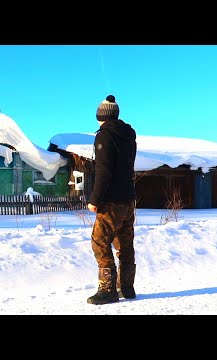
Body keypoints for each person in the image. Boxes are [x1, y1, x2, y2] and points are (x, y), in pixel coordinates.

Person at [86, 94, 137, 305]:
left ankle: (107, 290)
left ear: (101, 115)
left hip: (112, 201)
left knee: (100, 242)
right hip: (128, 199)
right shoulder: (128, 136)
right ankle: (126, 287)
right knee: (124, 244)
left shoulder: (105, 136)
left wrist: (95, 199)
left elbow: (103, 171)